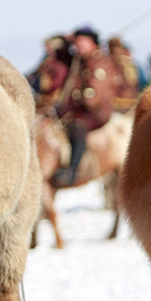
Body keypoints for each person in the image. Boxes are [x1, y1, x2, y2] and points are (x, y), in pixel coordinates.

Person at [50, 26, 121, 188]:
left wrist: (71, 106)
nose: (78, 45)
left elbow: (93, 96)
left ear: (92, 42)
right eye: (76, 42)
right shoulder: (79, 60)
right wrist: (66, 42)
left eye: (81, 41)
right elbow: (59, 57)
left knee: (77, 126)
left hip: (96, 111)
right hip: (79, 109)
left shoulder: (100, 62)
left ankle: (71, 172)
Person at [27, 34, 76, 114]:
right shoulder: (47, 61)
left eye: (50, 47)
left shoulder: (61, 65)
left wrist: (39, 81)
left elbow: (56, 83)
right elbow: (34, 73)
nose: (47, 50)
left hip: (52, 102)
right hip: (42, 99)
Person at [106, 36, 143, 112]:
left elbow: (138, 82)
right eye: (113, 48)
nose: (115, 50)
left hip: (128, 105)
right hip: (114, 105)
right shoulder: (107, 64)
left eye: (116, 47)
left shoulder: (130, 65)